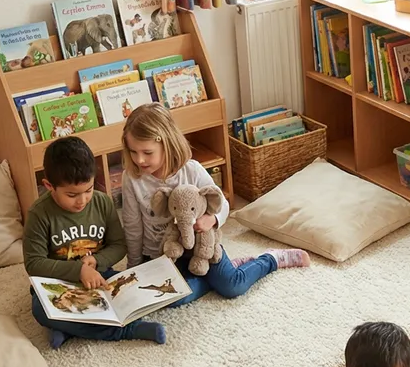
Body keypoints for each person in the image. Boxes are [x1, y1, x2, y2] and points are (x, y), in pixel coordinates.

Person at [120, 103, 308, 306]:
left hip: (202, 247)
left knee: (232, 286)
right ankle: (212, 279)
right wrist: (134, 267)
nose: (139, 159)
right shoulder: (132, 178)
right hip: (161, 253)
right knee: (169, 298)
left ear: (167, 143)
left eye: (147, 153)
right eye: (133, 152)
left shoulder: (191, 170)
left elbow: (222, 204)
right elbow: (133, 226)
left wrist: (212, 220)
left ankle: (271, 259)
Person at [23, 135, 165, 347]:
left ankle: (68, 328)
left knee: (137, 289)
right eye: (72, 194)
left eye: (88, 190)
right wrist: (78, 271)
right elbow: (34, 264)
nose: (82, 200)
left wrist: (97, 261)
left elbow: (119, 244)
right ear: (49, 186)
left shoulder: (102, 202)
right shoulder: (39, 213)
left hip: (100, 275)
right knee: (40, 310)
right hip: (57, 282)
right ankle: (127, 331)